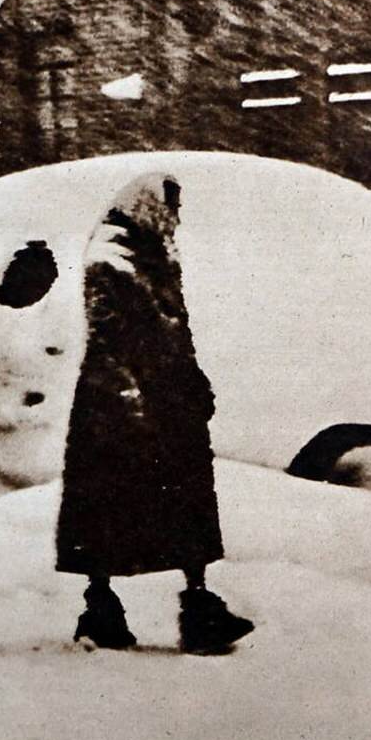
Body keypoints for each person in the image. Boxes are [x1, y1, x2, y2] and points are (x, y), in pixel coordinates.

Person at [58, 176, 253, 656]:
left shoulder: (154, 255)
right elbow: (107, 337)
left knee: (185, 502)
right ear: (146, 206)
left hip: (167, 400)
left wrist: (193, 379)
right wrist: (127, 398)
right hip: (121, 404)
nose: (175, 218)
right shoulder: (110, 258)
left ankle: (198, 605)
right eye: (170, 207)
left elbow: (174, 331)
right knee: (109, 508)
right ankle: (103, 607)